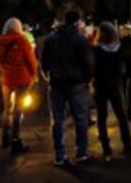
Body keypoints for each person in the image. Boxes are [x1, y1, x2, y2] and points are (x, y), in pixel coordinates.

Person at [40, 11, 94, 166]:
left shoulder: (52, 39)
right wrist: (88, 79)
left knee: (57, 120)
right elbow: (89, 62)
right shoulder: (81, 40)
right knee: (81, 119)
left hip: (56, 83)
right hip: (76, 83)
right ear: (77, 22)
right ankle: (81, 152)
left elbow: (43, 61)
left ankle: (59, 154)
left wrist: (48, 77)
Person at [93, 22, 131, 162]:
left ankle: (106, 148)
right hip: (115, 85)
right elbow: (123, 68)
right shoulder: (119, 49)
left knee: (101, 117)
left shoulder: (96, 50)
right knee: (121, 115)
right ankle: (127, 144)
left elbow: (92, 68)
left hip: (100, 86)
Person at [0, 17, 38, 154]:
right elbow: (32, 62)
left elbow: (0, 61)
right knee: (17, 111)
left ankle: (4, 137)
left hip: (7, 79)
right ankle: (16, 141)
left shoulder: (1, 42)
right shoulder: (22, 41)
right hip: (22, 79)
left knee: (6, 108)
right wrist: (33, 77)